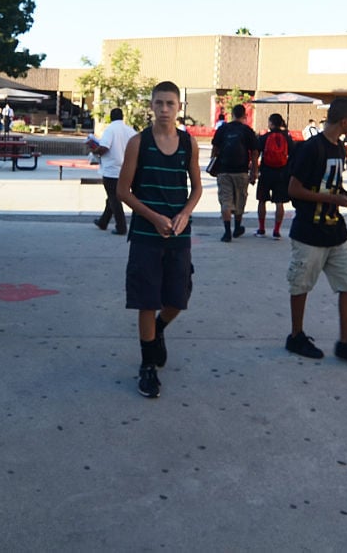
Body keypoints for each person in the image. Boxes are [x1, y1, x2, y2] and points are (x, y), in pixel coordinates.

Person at [117, 81, 202, 398]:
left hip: (179, 235)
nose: (164, 109)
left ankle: (159, 329)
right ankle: (147, 365)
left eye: (170, 103)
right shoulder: (138, 143)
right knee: (147, 300)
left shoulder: (188, 143)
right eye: (159, 103)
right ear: (151, 105)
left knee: (178, 299)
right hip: (145, 235)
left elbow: (197, 188)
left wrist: (185, 214)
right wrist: (153, 217)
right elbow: (123, 191)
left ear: (179, 107)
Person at [284, 97, 347, 367]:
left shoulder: (340, 148)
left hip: (336, 230)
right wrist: (333, 199)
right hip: (308, 230)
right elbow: (293, 189)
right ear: (345, 120)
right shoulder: (311, 148)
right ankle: (296, 336)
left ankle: (345, 342)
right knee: (301, 284)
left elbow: (330, 183)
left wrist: (344, 194)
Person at [211, 104, 259, 241]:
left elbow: (215, 149)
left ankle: (227, 232)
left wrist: (213, 166)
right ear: (245, 115)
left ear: (231, 114)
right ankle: (237, 227)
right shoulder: (247, 130)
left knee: (225, 201)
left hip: (224, 171)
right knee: (240, 200)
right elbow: (254, 153)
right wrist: (254, 172)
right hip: (241, 172)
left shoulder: (223, 129)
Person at [92, 107, 137, 235]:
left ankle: (121, 226)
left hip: (111, 169)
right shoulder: (130, 130)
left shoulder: (110, 129)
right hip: (127, 169)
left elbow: (104, 147)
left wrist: (94, 150)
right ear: (122, 117)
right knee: (113, 197)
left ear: (111, 117)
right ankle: (103, 221)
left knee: (114, 198)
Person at [255, 113, 293, 239]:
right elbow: (293, 154)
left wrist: (254, 170)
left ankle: (261, 229)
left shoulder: (264, 137)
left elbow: (256, 154)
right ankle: (276, 231)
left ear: (271, 123)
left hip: (266, 172)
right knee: (279, 203)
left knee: (262, 201)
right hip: (282, 173)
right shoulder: (287, 137)